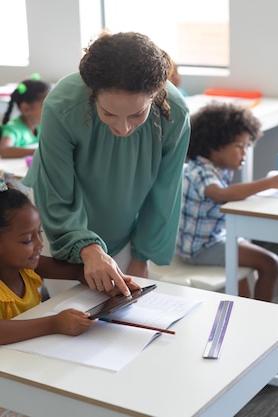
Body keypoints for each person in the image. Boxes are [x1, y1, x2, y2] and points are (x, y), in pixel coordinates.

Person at [0, 167, 138, 416]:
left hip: (31, 371)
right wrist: (54, 324)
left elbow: (78, 272)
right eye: (27, 240)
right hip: (2, 395)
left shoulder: (27, 267)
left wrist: (110, 284)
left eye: (39, 234)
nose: (39, 245)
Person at [22, 31, 191, 296]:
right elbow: (56, 193)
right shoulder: (62, 106)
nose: (123, 128)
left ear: (156, 95)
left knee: (123, 313)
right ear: (92, 95)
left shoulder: (175, 113)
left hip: (124, 224)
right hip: (58, 219)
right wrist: (87, 248)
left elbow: (164, 191)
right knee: (71, 311)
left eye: (137, 114)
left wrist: (141, 254)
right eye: (108, 114)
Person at [177, 102, 278, 301]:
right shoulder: (201, 171)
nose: (244, 154)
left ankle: (245, 313)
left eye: (246, 146)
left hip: (212, 238)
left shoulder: (214, 167)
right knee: (271, 263)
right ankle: (266, 320)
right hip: (200, 248)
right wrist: (270, 182)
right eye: (239, 147)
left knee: (246, 266)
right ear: (214, 144)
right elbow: (221, 194)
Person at [0, 76, 51, 158]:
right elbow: (4, 150)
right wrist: (37, 152)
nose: (50, 110)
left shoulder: (39, 127)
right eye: (45, 106)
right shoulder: (14, 129)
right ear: (26, 109)